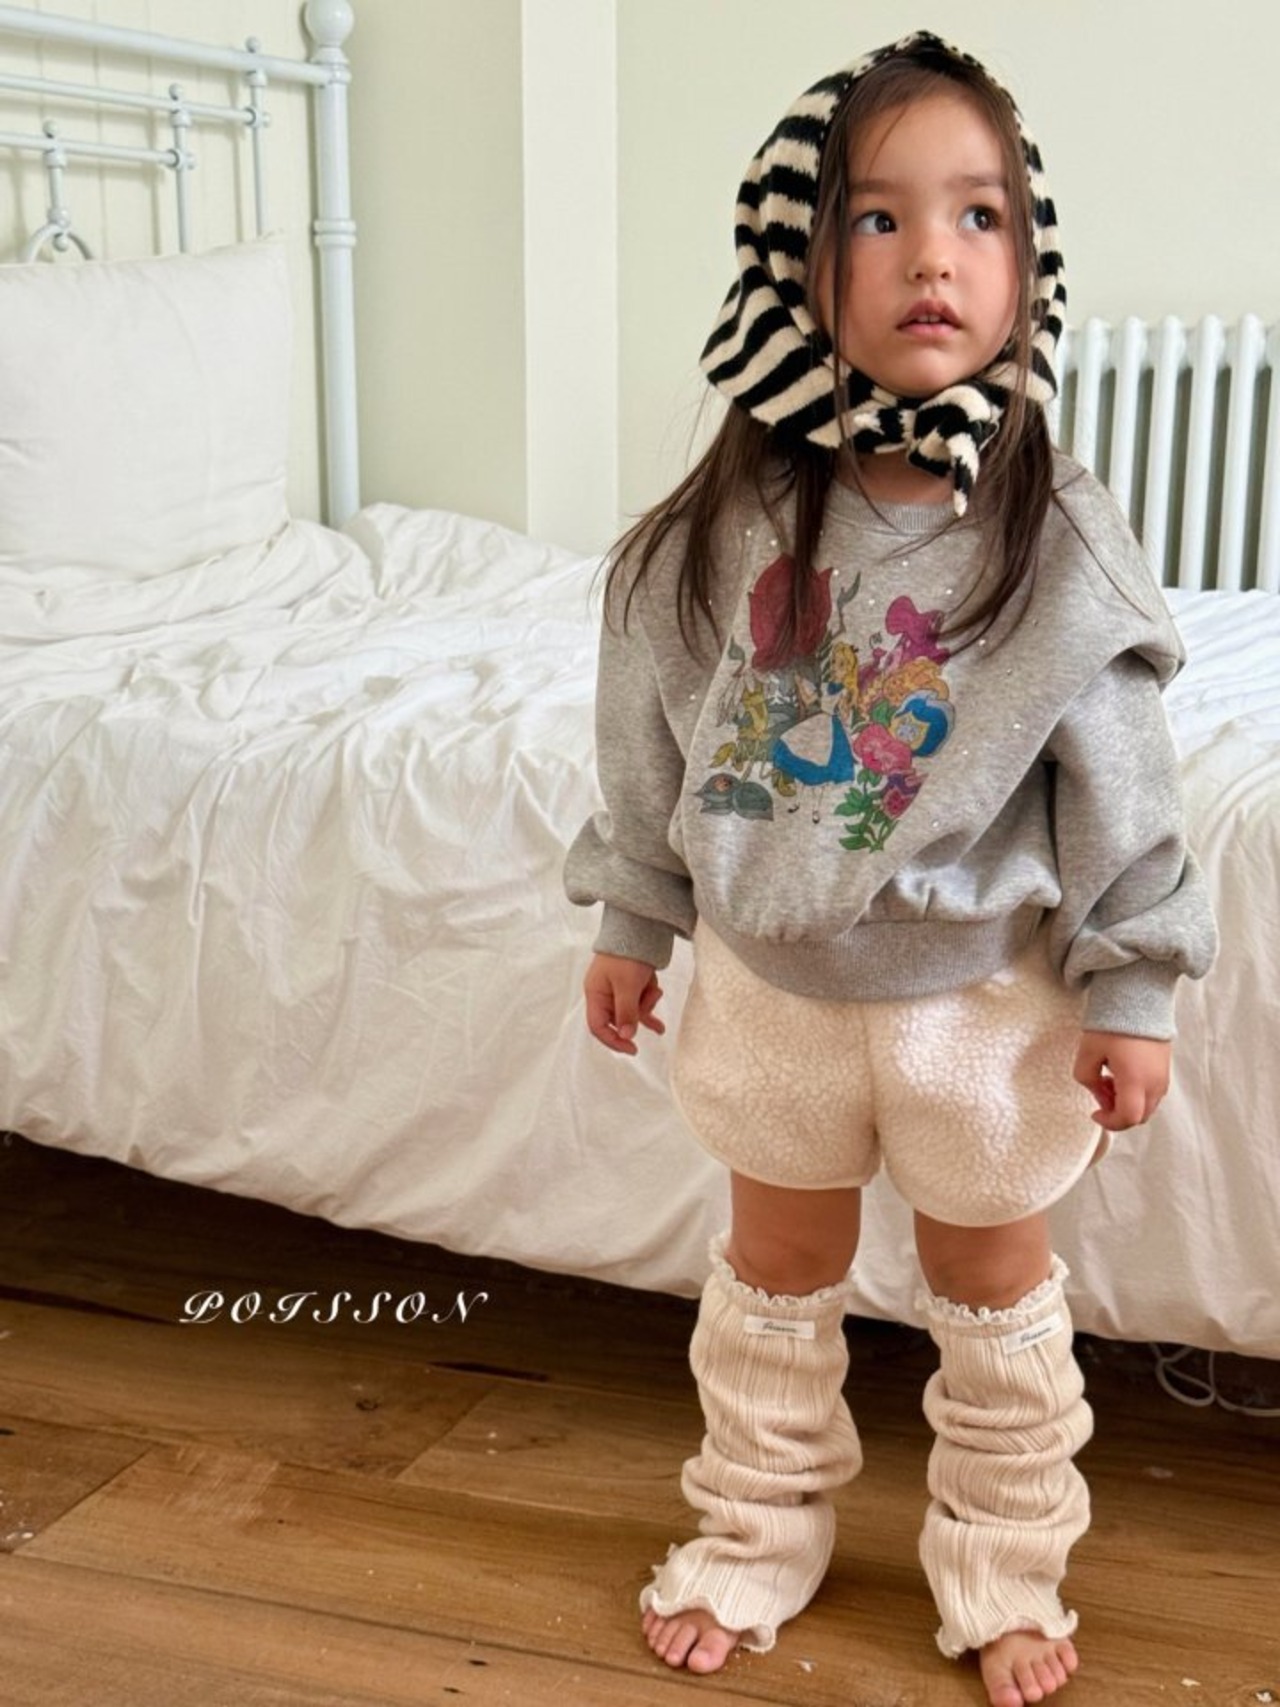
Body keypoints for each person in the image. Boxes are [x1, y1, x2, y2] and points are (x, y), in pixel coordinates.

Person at [564, 30, 1216, 1707]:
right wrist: (635, 912)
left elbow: (1123, 784)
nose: (935, 255)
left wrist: (1135, 982)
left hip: (980, 1016)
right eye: (877, 218)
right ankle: (754, 1528)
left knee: (994, 1298)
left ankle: (1004, 1568)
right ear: (795, 262)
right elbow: (652, 736)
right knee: (772, 1281)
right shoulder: (712, 533)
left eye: (979, 216)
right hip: (769, 998)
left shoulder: (1054, 534)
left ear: (1027, 261)